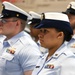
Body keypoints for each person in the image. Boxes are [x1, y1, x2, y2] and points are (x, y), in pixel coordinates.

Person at [0, 1, 41, 75]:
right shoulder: (4, 43)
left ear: (17, 23)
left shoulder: (27, 47)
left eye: (4, 21)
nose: (0, 23)